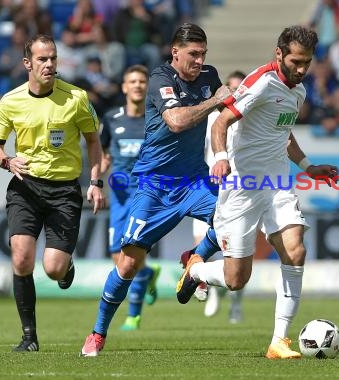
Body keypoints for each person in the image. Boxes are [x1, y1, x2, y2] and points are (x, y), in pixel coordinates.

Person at [176, 25, 338, 359]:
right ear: (279, 54)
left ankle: (280, 340)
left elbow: (283, 133)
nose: (302, 69)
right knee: (237, 279)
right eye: (296, 61)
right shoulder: (261, 82)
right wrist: (221, 158)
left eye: (307, 62)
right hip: (241, 188)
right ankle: (195, 269)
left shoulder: (298, 90)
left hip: (276, 185)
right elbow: (221, 122)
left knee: (295, 251)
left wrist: (308, 167)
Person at [80, 23, 231, 357]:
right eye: (193, 53)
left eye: (203, 53)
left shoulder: (209, 75)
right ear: (175, 52)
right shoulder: (160, 80)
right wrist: (215, 101)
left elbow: (227, 109)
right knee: (128, 265)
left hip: (194, 179)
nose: (199, 60)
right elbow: (177, 121)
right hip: (155, 186)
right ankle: (97, 333)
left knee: (231, 219)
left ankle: (196, 258)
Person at [0, 34, 105, 352]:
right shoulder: (11, 101)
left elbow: (94, 141)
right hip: (25, 187)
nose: (50, 64)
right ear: (28, 63)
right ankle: (29, 338)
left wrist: (95, 182)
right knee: (22, 258)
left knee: (53, 268)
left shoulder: (76, 98)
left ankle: (66, 268)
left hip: (65, 190)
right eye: (42, 59)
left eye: (53, 58)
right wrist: (8, 161)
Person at [99, 64, 161, 331]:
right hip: (120, 196)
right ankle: (148, 275)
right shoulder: (112, 119)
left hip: (146, 195)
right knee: (117, 255)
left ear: (147, 87)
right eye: (131, 81)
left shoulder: (156, 119)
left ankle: (133, 316)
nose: (137, 85)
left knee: (131, 255)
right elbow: (102, 152)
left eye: (141, 81)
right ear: (124, 87)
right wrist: (98, 178)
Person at [192, 70, 246, 322]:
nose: (235, 93)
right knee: (202, 242)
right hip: (210, 189)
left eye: (239, 88)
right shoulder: (212, 118)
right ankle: (208, 286)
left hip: (240, 191)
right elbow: (199, 152)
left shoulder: (250, 116)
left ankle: (235, 302)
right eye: (231, 87)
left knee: (234, 254)